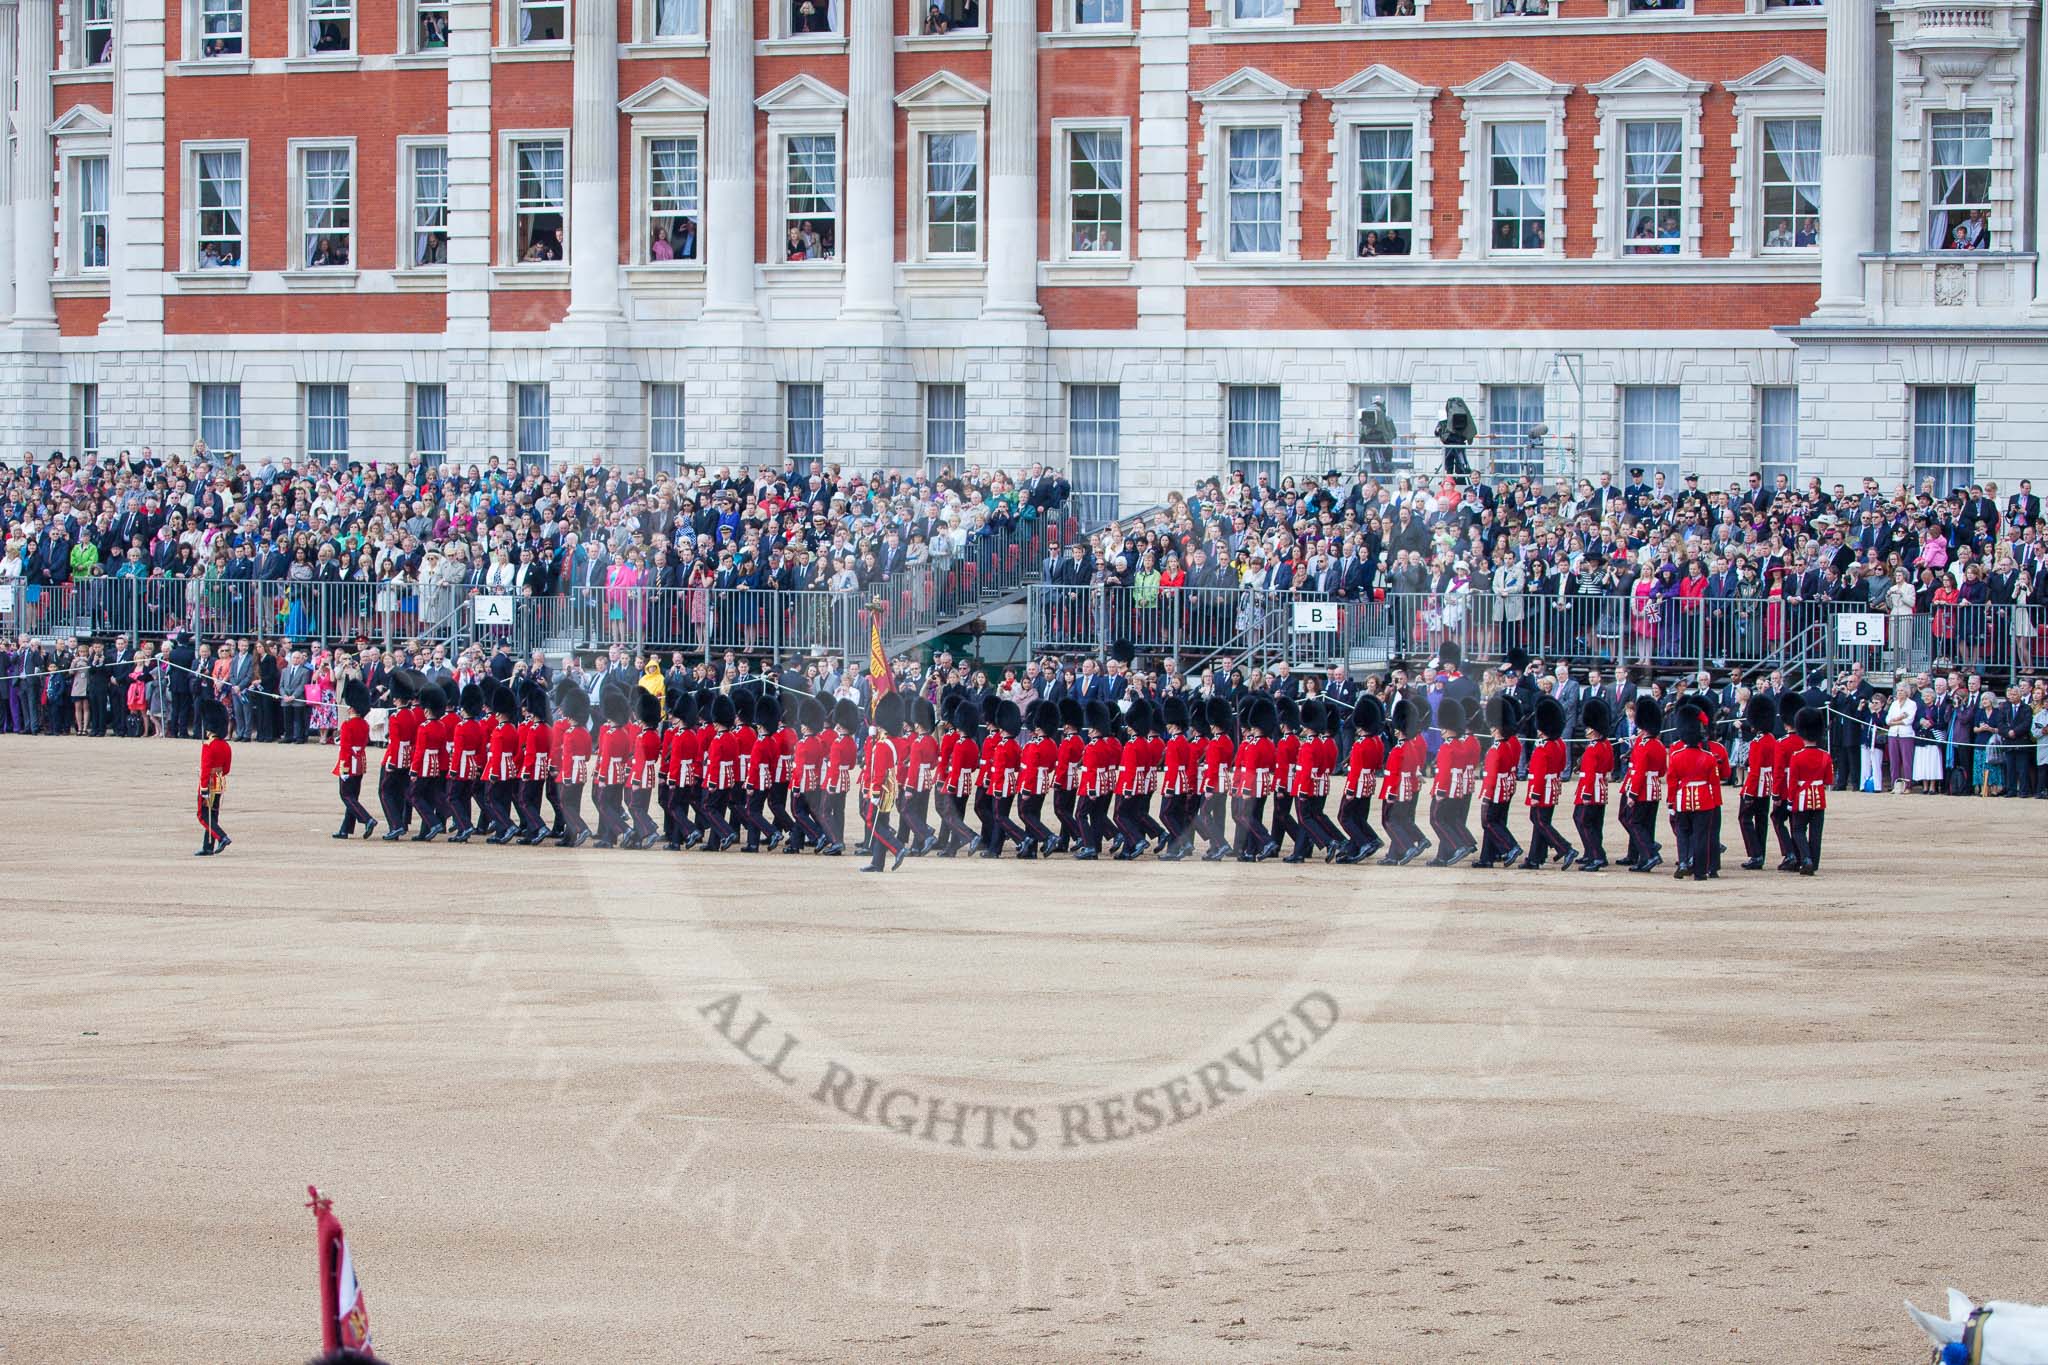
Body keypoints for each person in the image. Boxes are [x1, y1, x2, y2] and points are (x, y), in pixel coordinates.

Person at [1521, 697, 1575, 870]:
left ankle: (1565, 848)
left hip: (1542, 789)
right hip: (1552, 786)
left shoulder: (1543, 748)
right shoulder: (1559, 744)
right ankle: (1536, 858)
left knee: (1540, 821)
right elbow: (1560, 766)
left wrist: (1535, 795)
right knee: (1540, 821)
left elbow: (1538, 774)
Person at [860, 693, 907, 872]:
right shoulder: (895, 741)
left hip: (881, 787)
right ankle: (877, 862)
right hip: (890, 786)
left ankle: (897, 847)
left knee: (871, 821)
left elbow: (877, 772)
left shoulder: (881, 745)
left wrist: (874, 793)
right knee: (883, 822)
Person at [1785, 706, 1834, 874]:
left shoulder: (1797, 756)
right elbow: (1829, 780)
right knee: (1816, 833)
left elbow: (1793, 782)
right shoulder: (1825, 755)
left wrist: (1790, 800)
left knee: (1798, 829)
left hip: (1801, 798)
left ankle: (1806, 858)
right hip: (1819, 797)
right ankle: (1814, 863)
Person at [1571, 698, 1615, 871]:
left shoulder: (1592, 749)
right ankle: (1592, 852)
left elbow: (1589, 774)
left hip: (1590, 789)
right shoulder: (1606, 745)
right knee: (1595, 823)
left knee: (1583, 821)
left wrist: (1586, 794)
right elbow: (1610, 767)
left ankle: (1596, 855)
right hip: (1601, 788)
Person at [333, 678, 377, 839]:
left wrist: (343, 769)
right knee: (353, 796)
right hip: (360, 762)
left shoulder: (347, 725)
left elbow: (345, 749)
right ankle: (345, 829)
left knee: (346, 795)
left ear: (351, 708)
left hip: (349, 763)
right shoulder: (364, 724)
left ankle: (367, 819)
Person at [195, 699, 233, 856]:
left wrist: (204, 788)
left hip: (208, 783)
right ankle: (208, 846)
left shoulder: (209, 746)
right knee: (213, 814)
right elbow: (226, 769)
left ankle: (222, 837)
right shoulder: (225, 745)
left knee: (203, 815)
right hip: (219, 781)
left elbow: (205, 769)